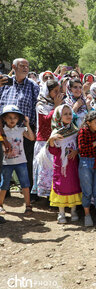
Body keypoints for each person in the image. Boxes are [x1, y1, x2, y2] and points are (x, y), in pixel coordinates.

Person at [0, 59, 40, 200]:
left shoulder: (33, 86)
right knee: (3, 159)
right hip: (3, 129)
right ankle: (4, 192)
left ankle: (29, 193)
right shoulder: (4, 83)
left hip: (24, 130)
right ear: (13, 67)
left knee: (26, 160)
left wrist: (30, 127)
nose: (25, 68)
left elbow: (37, 105)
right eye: (22, 66)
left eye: (27, 66)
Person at [46, 105, 82, 223]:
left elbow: (79, 146)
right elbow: (52, 151)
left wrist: (76, 151)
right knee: (61, 185)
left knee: (73, 184)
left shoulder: (75, 130)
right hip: (61, 165)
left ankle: (73, 211)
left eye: (70, 114)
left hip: (73, 165)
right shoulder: (56, 133)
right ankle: (61, 213)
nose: (68, 116)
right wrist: (52, 140)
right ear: (58, 116)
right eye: (65, 114)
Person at [0, 105, 35, 215]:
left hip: (21, 162)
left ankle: (28, 205)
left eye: (15, 118)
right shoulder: (2, 132)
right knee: (4, 185)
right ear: (4, 119)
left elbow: (32, 137)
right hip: (6, 162)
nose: (12, 120)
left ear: (18, 119)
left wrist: (27, 125)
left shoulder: (20, 130)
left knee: (25, 184)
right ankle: (0, 205)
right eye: (9, 117)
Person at [78, 111, 96, 227]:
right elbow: (82, 149)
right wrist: (94, 144)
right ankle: (87, 215)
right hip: (86, 162)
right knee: (87, 191)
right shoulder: (83, 132)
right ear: (88, 123)